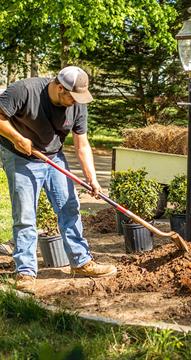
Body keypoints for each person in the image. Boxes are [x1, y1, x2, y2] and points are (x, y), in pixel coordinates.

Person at [0, 66, 117, 293]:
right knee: (25, 214)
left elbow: (82, 144)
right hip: (19, 154)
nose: (75, 102)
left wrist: (92, 178)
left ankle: (81, 261)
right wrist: (17, 138)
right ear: (60, 87)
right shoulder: (24, 90)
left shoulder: (77, 104)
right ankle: (25, 271)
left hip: (53, 155)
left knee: (69, 206)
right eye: (72, 97)